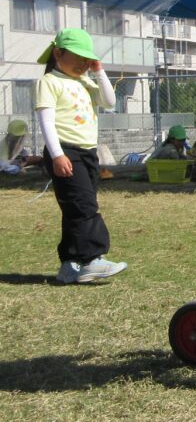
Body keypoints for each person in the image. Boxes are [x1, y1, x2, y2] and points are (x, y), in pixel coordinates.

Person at [34, 28, 128, 285]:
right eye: (76, 56)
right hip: (65, 151)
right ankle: (91, 260)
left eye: (86, 58)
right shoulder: (49, 82)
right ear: (57, 53)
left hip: (87, 152)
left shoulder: (85, 81)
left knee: (75, 209)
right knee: (85, 206)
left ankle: (69, 265)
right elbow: (47, 122)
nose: (82, 63)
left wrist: (98, 70)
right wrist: (57, 155)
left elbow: (109, 101)